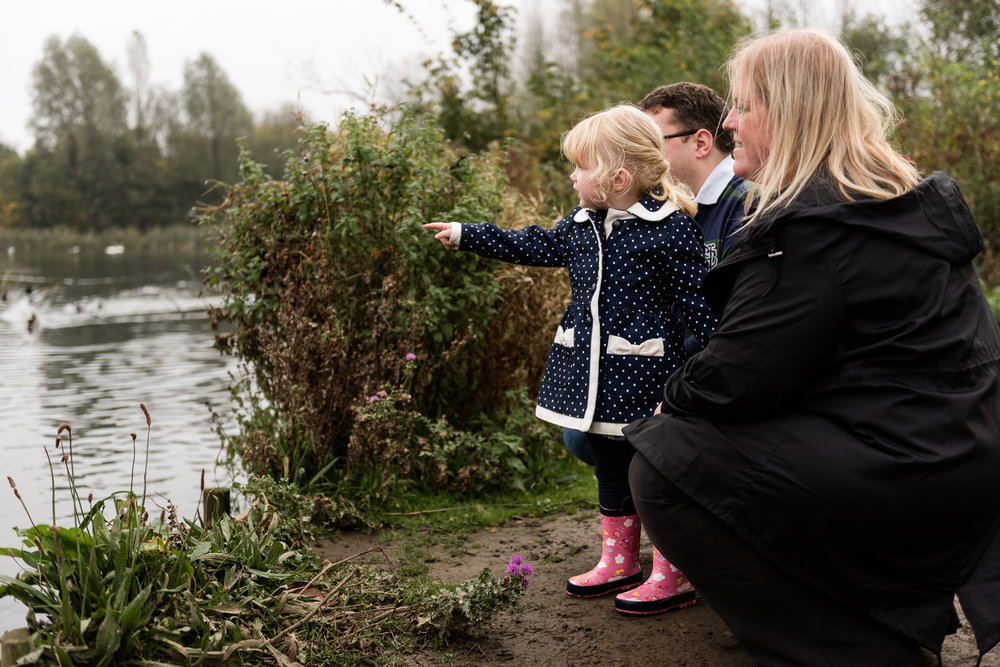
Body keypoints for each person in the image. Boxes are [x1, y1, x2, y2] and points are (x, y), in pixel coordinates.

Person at [623, 28, 1000, 665]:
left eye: (743, 105)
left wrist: (670, 399)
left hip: (909, 464)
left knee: (664, 461)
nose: (731, 121)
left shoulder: (811, 227)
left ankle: (853, 649)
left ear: (791, 112)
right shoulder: (886, 200)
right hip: (960, 446)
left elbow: (738, 376)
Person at [425, 104, 716, 615]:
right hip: (593, 375)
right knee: (607, 464)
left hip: (648, 376)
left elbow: (699, 307)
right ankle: (620, 559)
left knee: (657, 473)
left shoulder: (668, 229)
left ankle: (675, 572)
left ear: (616, 177)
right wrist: (467, 233)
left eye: (580, 166)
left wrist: (707, 372)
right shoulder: (583, 224)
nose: (572, 175)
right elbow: (532, 243)